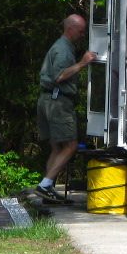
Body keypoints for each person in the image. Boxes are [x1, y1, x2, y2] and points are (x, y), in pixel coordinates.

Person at [35, 13, 95, 201]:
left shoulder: (62, 46)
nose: (83, 35)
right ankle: (45, 185)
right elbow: (60, 76)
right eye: (81, 31)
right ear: (70, 29)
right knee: (71, 145)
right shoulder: (62, 49)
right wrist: (83, 63)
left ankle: (48, 189)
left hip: (48, 100)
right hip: (58, 103)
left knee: (57, 147)